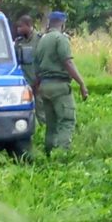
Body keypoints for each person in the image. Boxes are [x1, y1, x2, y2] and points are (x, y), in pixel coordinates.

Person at [34, 11, 88, 155]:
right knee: (67, 121)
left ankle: (49, 153)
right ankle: (62, 155)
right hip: (59, 86)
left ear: (49, 23)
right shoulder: (61, 39)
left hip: (44, 86)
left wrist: (38, 87)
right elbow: (68, 62)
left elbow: (36, 67)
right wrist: (81, 83)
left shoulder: (42, 41)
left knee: (51, 125)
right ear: (63, 24)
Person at [14, 15, 46, 124]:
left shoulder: (40, 40)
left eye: (21, 27)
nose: (18, 30)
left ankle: (42, 130)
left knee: (41, 109)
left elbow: (44, 61)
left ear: (29, 26)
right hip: (24, 82)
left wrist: (38, 81)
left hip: (39, 82)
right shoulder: (18, 42)